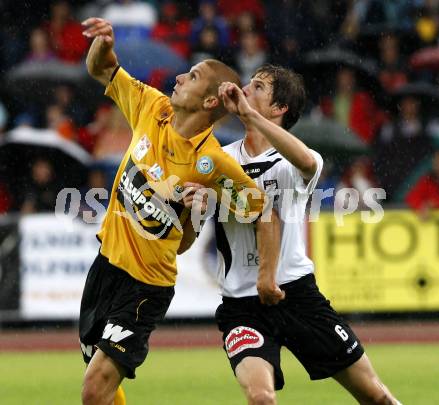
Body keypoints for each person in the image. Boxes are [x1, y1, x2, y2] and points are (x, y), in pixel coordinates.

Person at [79, 17, 273, 405]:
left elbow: (260, 209)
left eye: (195, 75)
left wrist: (208, 211)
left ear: (209, 101)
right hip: (105, 269)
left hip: (145, 286)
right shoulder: (153, 107)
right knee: (98, 384)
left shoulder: (212, 162)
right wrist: (102, 43)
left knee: (93, 390)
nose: (181, 76)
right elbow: (101, 69)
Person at [182, 64, 402, 404]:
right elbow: (186, 241)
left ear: (279, 108)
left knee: (376, 396)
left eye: (257, 87)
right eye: (248, 84)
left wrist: (250, 117)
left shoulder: (296, 158)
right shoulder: (218, 160)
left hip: (297, 296)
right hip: (242, 305)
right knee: (261, 398)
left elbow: (308, 163)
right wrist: (193, 209)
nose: (246, 89)